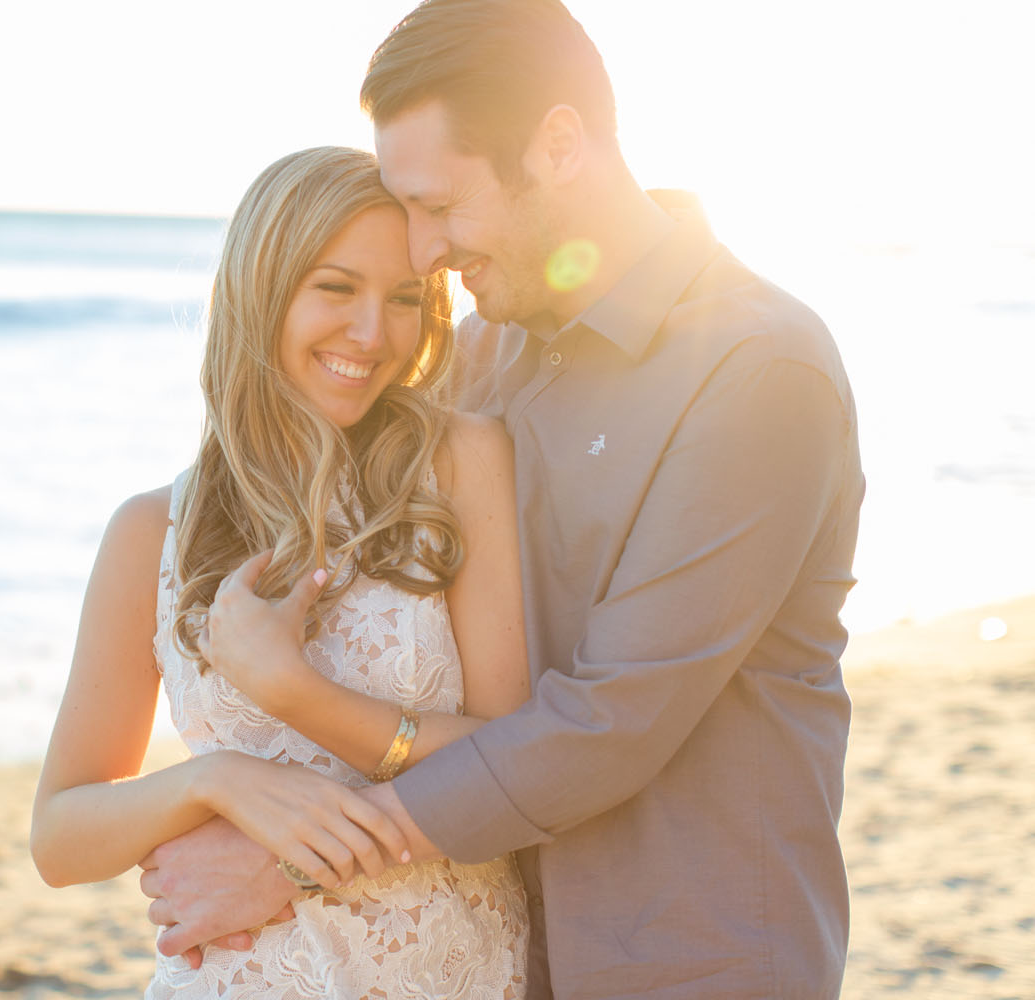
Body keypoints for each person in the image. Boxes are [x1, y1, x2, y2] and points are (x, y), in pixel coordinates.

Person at [138, 2, 866, 998]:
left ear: (558, 144)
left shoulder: (755, 369)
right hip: (502, 950)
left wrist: (296, 860)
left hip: (692, 949)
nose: (424, 250)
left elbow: (609, 718)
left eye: (440, 205)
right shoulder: (480, 360)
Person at [30, 145, 532, 998]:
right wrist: (217, 783)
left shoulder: (458, 465)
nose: (373, 335)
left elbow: (519, 764)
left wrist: (293, 699)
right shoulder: (153, 531)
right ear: (262, 289)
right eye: (336, 288)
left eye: (404, 299)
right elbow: (61, 835)